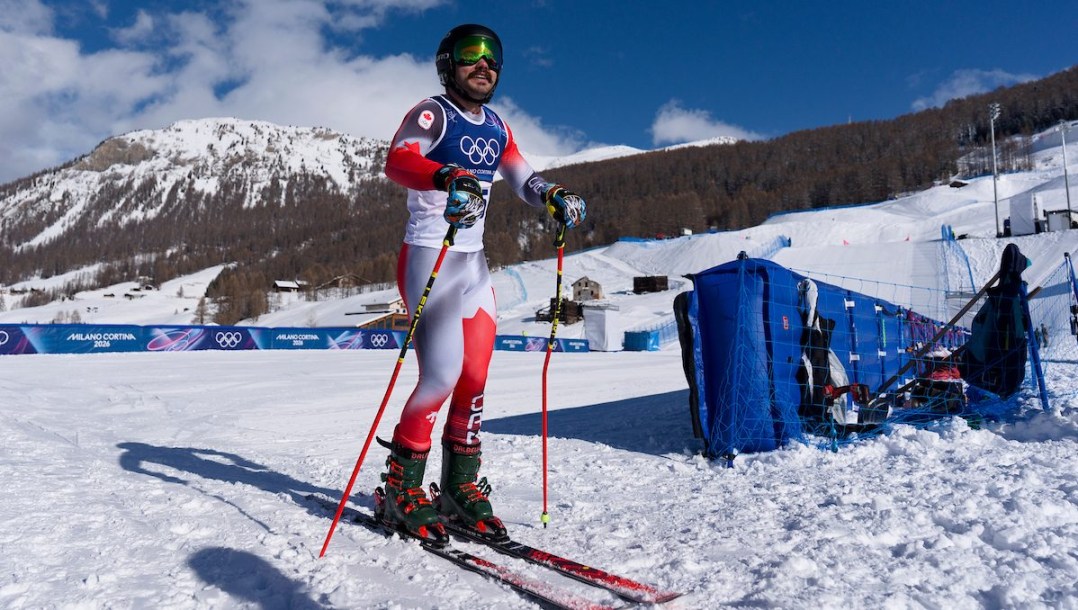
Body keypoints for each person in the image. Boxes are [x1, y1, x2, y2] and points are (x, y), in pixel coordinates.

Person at [375, 23, 587, 545]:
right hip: (430, 255)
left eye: (493, 57)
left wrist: (552, 194)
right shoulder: (433, 113)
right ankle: (401, 489)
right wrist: (446, 176)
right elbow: (398, 160)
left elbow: (522, 176)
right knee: (440, 377)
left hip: (473, 264)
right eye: (471, 54)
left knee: (473, 378)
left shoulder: (496, 126)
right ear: (448, 64)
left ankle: (458, 487)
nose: (484, 64)